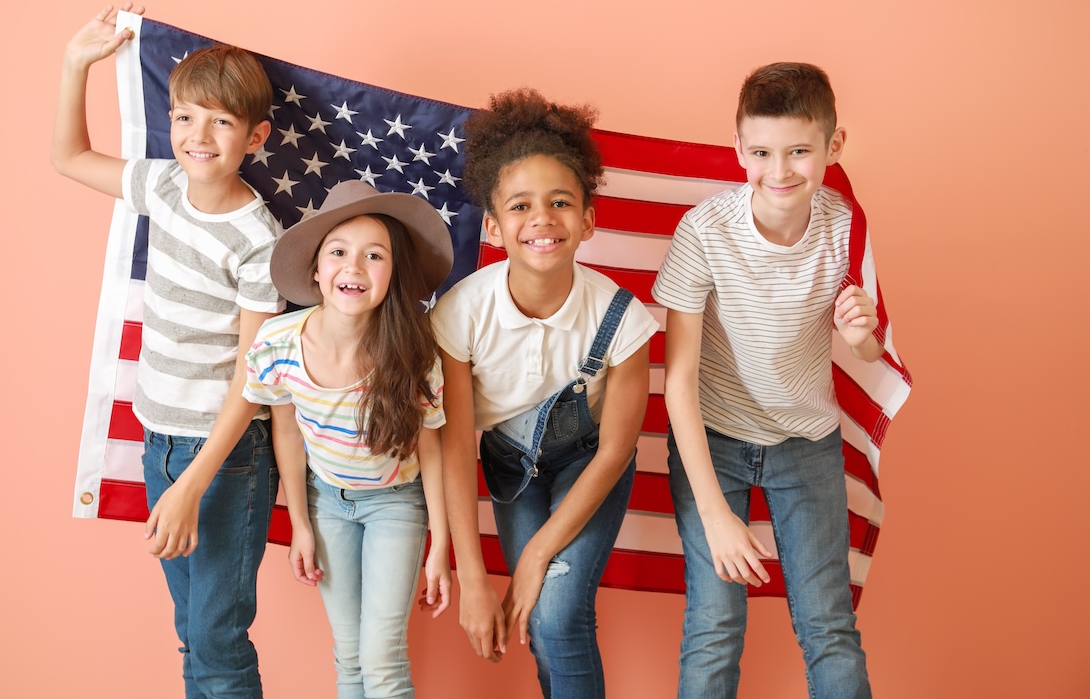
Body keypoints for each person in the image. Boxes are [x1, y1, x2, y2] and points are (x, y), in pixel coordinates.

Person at [51, 4, 285, 698]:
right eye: (184, 117)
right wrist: (75, 66)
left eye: (219, 121)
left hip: (224, 457)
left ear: (255, 135)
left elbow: (253, 377)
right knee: (193, 626)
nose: (197, 135)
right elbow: (68, 157)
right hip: (160, 439)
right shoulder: (162, 186)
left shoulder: (258, 239)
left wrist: (191, 486)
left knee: (217, 638)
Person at [654, 62, 884, 699]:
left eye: (799, 152)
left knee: (827, 625)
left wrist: (862, 333)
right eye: (761, 152)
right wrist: (715, 514)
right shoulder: (704, 230)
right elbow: (678, 379)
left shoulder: (845, 227)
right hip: (714, 440)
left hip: (806, 443)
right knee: (714, 623)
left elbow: (866, 353)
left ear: (833, 148)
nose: (779, 171)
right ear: (739, 149)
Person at [432, 88, 658, 699]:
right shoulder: (461, 314)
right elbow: (455, 442)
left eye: (561, 202)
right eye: (520, 205)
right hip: (511, 467)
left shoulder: (624, 319)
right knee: (539, 619)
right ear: (492, 224)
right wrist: (474, 576)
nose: (542, 219)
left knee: (556, 613)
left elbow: (615, 451)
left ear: (587, 220)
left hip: (591, 465)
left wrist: (532, 557)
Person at [243, 180, 454, 699]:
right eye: (338, 252)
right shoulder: (278, 343)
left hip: (396, 504)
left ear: (393, 274)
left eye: (374, 255)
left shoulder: (413, 352)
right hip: (327, 504)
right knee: (351, 658)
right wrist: (300, 525)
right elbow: (287, 434)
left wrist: (440, 545)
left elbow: (432, 447)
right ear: (317, 270)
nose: (354, 267)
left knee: (382, 661)